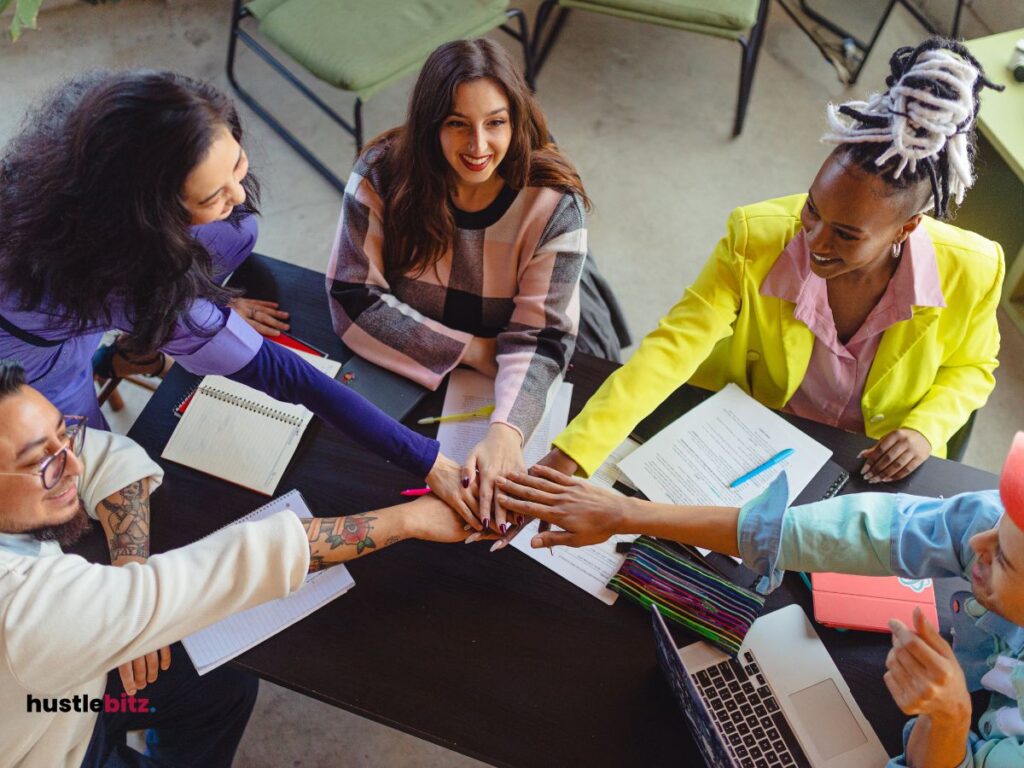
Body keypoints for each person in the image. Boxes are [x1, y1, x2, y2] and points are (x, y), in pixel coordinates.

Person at [0, 69, 472, 523]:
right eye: (210, 196)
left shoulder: (89, 130)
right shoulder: (128, 278)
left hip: (67, 291)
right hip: (30, 360)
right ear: (152, 217)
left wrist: (209, 301)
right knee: (88, 469)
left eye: (236, 165)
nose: (239, 192)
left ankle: (135, 348)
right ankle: (126, 356)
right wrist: (431, 461)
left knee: (238, 229)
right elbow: (288, 376)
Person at [539, 38, 1004, 488]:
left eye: (845, 235)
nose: (814, 241)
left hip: (868, 470)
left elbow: (972, 367)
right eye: (813, 210)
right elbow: (672, 348)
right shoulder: (754, 236)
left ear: (906, 230)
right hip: (748, 445)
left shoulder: (974, 269)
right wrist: (575, 451)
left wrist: (926, 427)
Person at [0, 360, 480, 767]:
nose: (73, 465)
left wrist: (130, 580)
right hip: (55, 740)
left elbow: (106, 453)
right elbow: (228, 566)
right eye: (42, 463)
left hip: (61, 694)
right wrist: (410, 519)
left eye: (65, 436)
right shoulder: (24, 609)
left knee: (222, 684)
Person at [495, 433, 1024, 768]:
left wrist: (949, 717)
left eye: (1000, 559)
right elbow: (868, 532)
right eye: (994, 530)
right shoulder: (998, 525)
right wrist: (629, 516)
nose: (974, 545)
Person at [326, 38, 626, 533]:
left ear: (517, 118)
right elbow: (351, 300)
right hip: (439, 357)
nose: (478, 147)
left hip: (525, 338)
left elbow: (542, 339)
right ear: (429, 125)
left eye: (496, 122)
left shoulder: (554, 201)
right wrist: (472, 350)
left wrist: (507, 435)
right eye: (456, 124)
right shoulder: (381, 172)